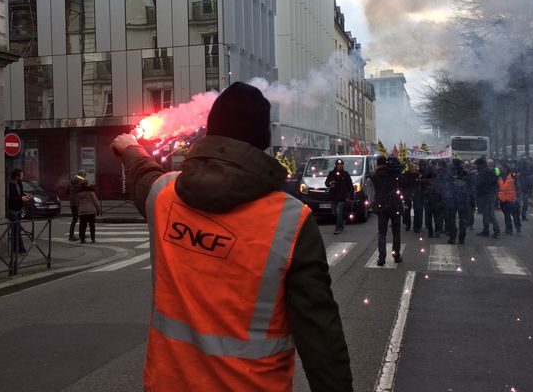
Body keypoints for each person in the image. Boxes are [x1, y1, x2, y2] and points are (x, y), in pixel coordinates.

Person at [110, 82, 352, 392]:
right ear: (262, 142)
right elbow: (321, 338)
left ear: (211, 132)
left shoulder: (164, 195)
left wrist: (131, 150)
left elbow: (145, 177)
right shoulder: (290, 221)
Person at [370, 155, 403, 266]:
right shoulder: (393, 174)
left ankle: (381, 258)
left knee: (382, 233)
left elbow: (369, 192)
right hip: (395, 205)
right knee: (396, 232)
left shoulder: (374, 176)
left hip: (381, 207)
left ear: (377, 164)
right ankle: (396, 255)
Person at [444, 158, 472, 244]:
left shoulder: (449, 173)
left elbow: (446, 185)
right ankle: (462, 238)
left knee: (451, 219)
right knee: (463, 219)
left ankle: (452, 237)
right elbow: (470, 186)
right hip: (463, 199)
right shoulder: (465, 173)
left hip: (452, 199)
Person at [325, 159, 354, 234]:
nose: (340, 166)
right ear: (336, 165)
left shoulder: (345, 174)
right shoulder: (331, 173)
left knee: (338, 211)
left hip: (342, 197)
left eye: (341, 164)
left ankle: (338, 228)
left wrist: (350, 197)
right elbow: (326, 183)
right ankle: (341, 222)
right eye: (338, 164)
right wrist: (330, 183)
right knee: (334, 213)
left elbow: (350, 186)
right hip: (333, 197)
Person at [7, 169, 31, 255]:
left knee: (16, 230)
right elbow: (10, 199)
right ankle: (21, 249)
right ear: (16, 177)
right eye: (21, 176)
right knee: (16, 229)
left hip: (19, 209)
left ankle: (16, 248)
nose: (22, 177)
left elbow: (20, 194)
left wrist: (26, 196)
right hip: (12, 211)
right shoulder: (10, 185)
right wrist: (21, 198)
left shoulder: (19, 184)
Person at [475, 157, 501, 238]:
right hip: (486, 194)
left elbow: (485, 184)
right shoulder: (485, 171)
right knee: (485, 214)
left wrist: (480, 191)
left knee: (490, 214)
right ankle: (486, 230)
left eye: (477, 165)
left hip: (488, 195)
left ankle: (497, 231)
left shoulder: (486, 172)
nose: (476, 166)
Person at [497, 162, 522, 235]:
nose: (500, 169)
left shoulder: (513, 176)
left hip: (512, 199)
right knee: (507, 215)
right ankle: (508, 229)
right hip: (503, 200)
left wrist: (517, 197)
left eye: (501, 168)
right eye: (500, 168)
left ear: (506, 168)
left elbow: (518, 186)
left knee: (515, 215)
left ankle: (518, 228)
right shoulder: (499, 177)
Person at [67, 169, 87, 241]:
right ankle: (77, 235)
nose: (85, 176)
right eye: (85, 175)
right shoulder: (81, 182)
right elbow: (83, 191)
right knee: (81, 219)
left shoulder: (72, 181)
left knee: (75, 219)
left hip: (72, 202)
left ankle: (73, 235)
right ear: (81, 175)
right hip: (78, 203)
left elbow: (67, 190)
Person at [400, 162, 419, 232]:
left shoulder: (417, 175)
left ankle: (415, 226)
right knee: (407, 211)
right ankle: (408, 225)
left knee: (416, 211)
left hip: (415, 195)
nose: (414, 168)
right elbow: (402, 184)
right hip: (406, 196)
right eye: (413, 167)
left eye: (415, 167)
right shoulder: (404, 175)